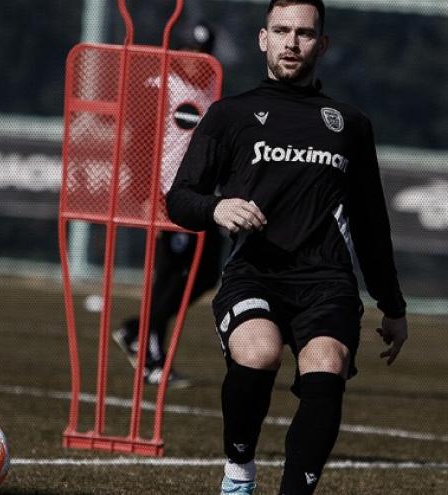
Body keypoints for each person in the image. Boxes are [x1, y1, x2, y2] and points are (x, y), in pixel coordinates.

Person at [165, 1, 409, 493]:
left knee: (327, 365)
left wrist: (392, 305)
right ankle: (238, 472)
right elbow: (179, 199)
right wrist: (217, 208)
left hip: (327, 281)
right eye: (281, 31)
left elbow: (370, 223)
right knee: (259, 352)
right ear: (263, 39)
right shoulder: (229, 115)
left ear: (323, 44)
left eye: (304, 33)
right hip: (253, 273)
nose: (292, 43)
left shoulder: (350, 124)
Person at [112, 21, 226, 389]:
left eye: (203, 53)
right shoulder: (161, 86)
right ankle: (151, 358)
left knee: (206, 274)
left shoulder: (212, 86)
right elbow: (138, 142)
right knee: (169, 276)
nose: (197, 59)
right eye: (191, 52)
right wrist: (144, 195)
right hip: (166, 195)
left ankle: (137, 329)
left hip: (202, 197)